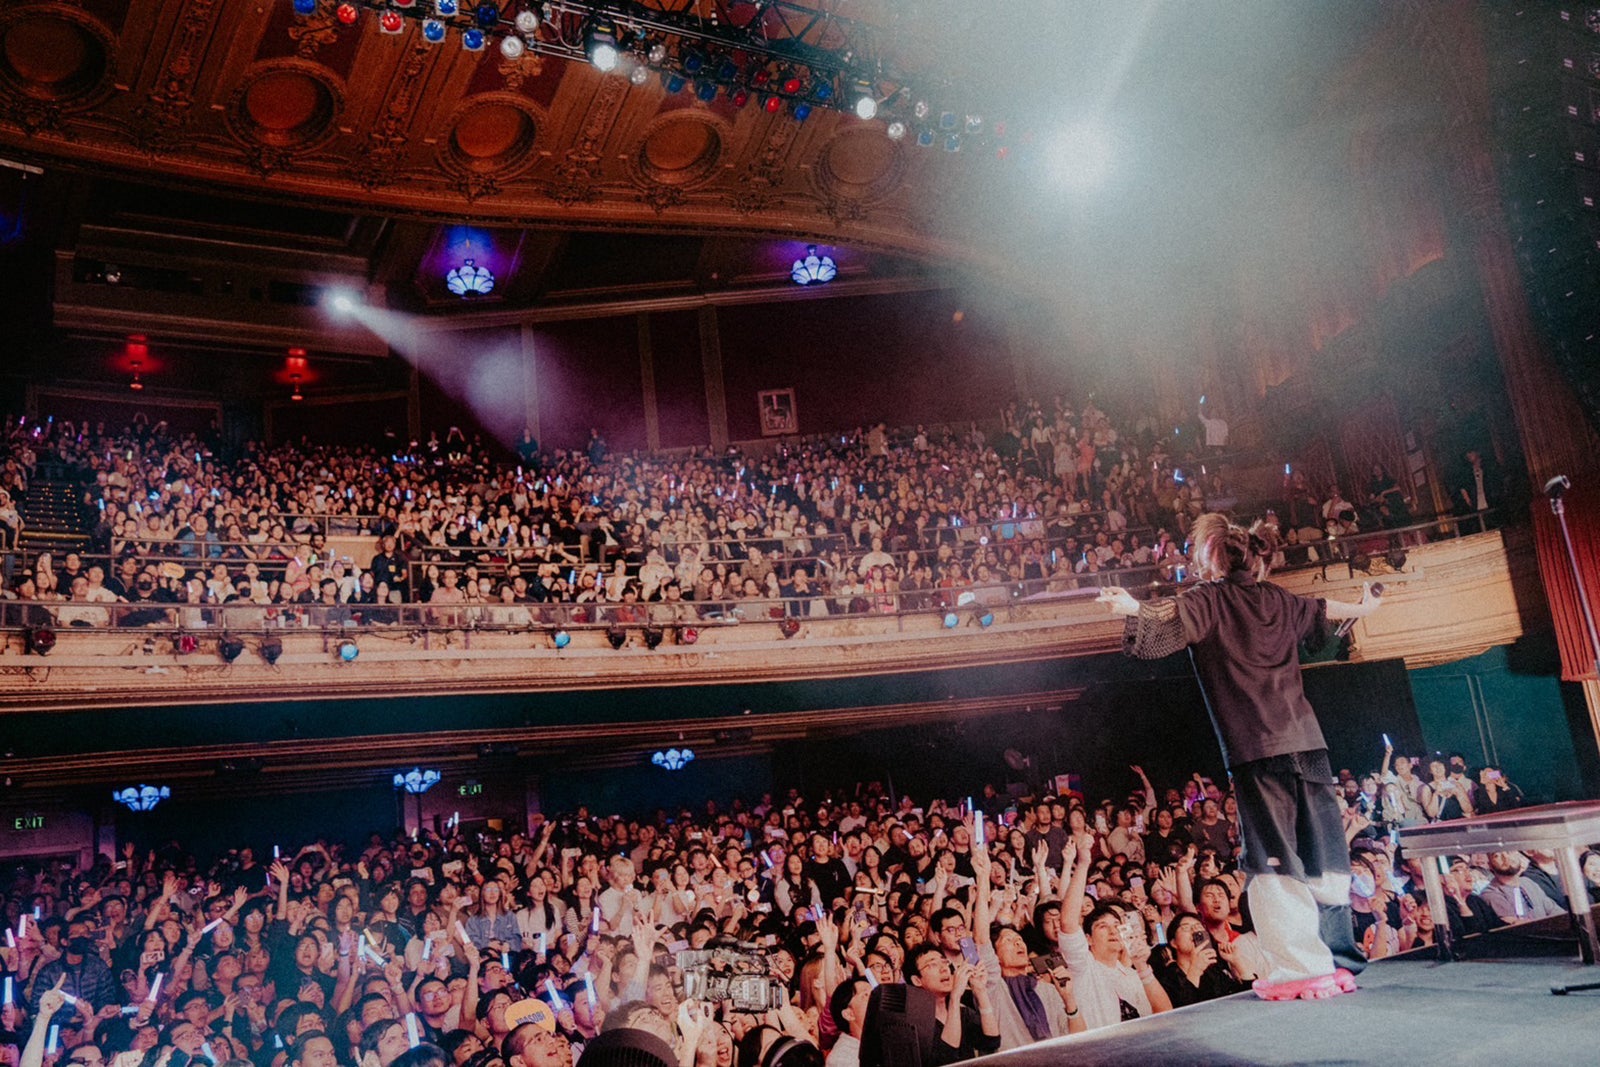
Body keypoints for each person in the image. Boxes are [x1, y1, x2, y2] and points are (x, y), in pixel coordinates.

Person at [1100, 512, 1382, 1001]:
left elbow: (1164, 624)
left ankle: (1299, 968)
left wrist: (1132, 607)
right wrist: (1364, 605)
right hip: (1308, 741)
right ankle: (1338, 959)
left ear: (1212, 558)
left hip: (1257, 748)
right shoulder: (1277, 599)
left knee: (1274, 856)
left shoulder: (1209, 599)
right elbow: (1322, 610)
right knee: (1323, 848)